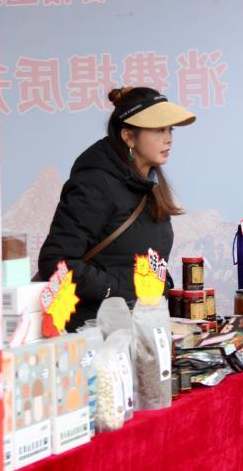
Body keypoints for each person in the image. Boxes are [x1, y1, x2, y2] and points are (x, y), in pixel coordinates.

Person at [38, 86, 195, 330]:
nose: (168, 139)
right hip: (94, 334)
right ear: (129, 137)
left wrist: (160, 287)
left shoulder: (149, 183)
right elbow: (57, 262)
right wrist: (116, 289)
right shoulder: (95, 184)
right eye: (158, 130)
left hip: (137, 328)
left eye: (170, 129)